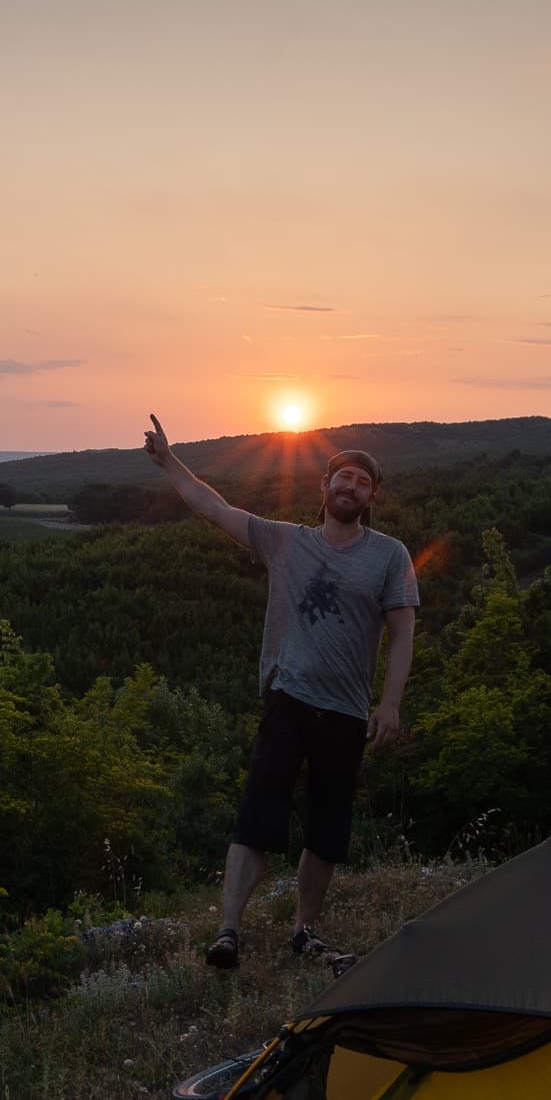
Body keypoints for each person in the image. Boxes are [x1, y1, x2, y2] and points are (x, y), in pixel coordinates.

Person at [142, 414, 418, 972]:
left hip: (344, 711)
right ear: (325, 486)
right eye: (344, 477)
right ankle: (227, 931)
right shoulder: (284, 540)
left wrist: (389, 703)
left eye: (363, 483)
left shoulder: (390, 555)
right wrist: (169, 461)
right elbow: (214, 507)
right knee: (257, 818)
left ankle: (304, 931)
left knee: (327, 827)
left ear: (372, 497)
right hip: (287, 699)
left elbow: (403, 631)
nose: (351, 487)